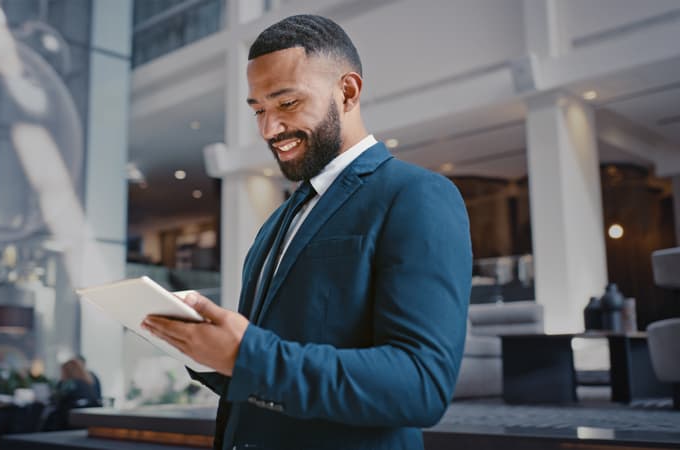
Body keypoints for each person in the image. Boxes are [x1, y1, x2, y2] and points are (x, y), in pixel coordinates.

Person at [142, 14, 472, 450]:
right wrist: (201, 349)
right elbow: (265, 380)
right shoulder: (278, 222)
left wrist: (248, 355)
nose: (268, 129)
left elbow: (420, 386)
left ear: (348, 91)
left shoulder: (417, 196)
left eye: (287, 104)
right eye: (258, 109)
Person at [42, 358, 101, 431]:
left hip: (66, 421)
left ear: (67, 371)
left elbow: (54, 399)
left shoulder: (69, 384)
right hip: (85, 422)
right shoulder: (87, 384)